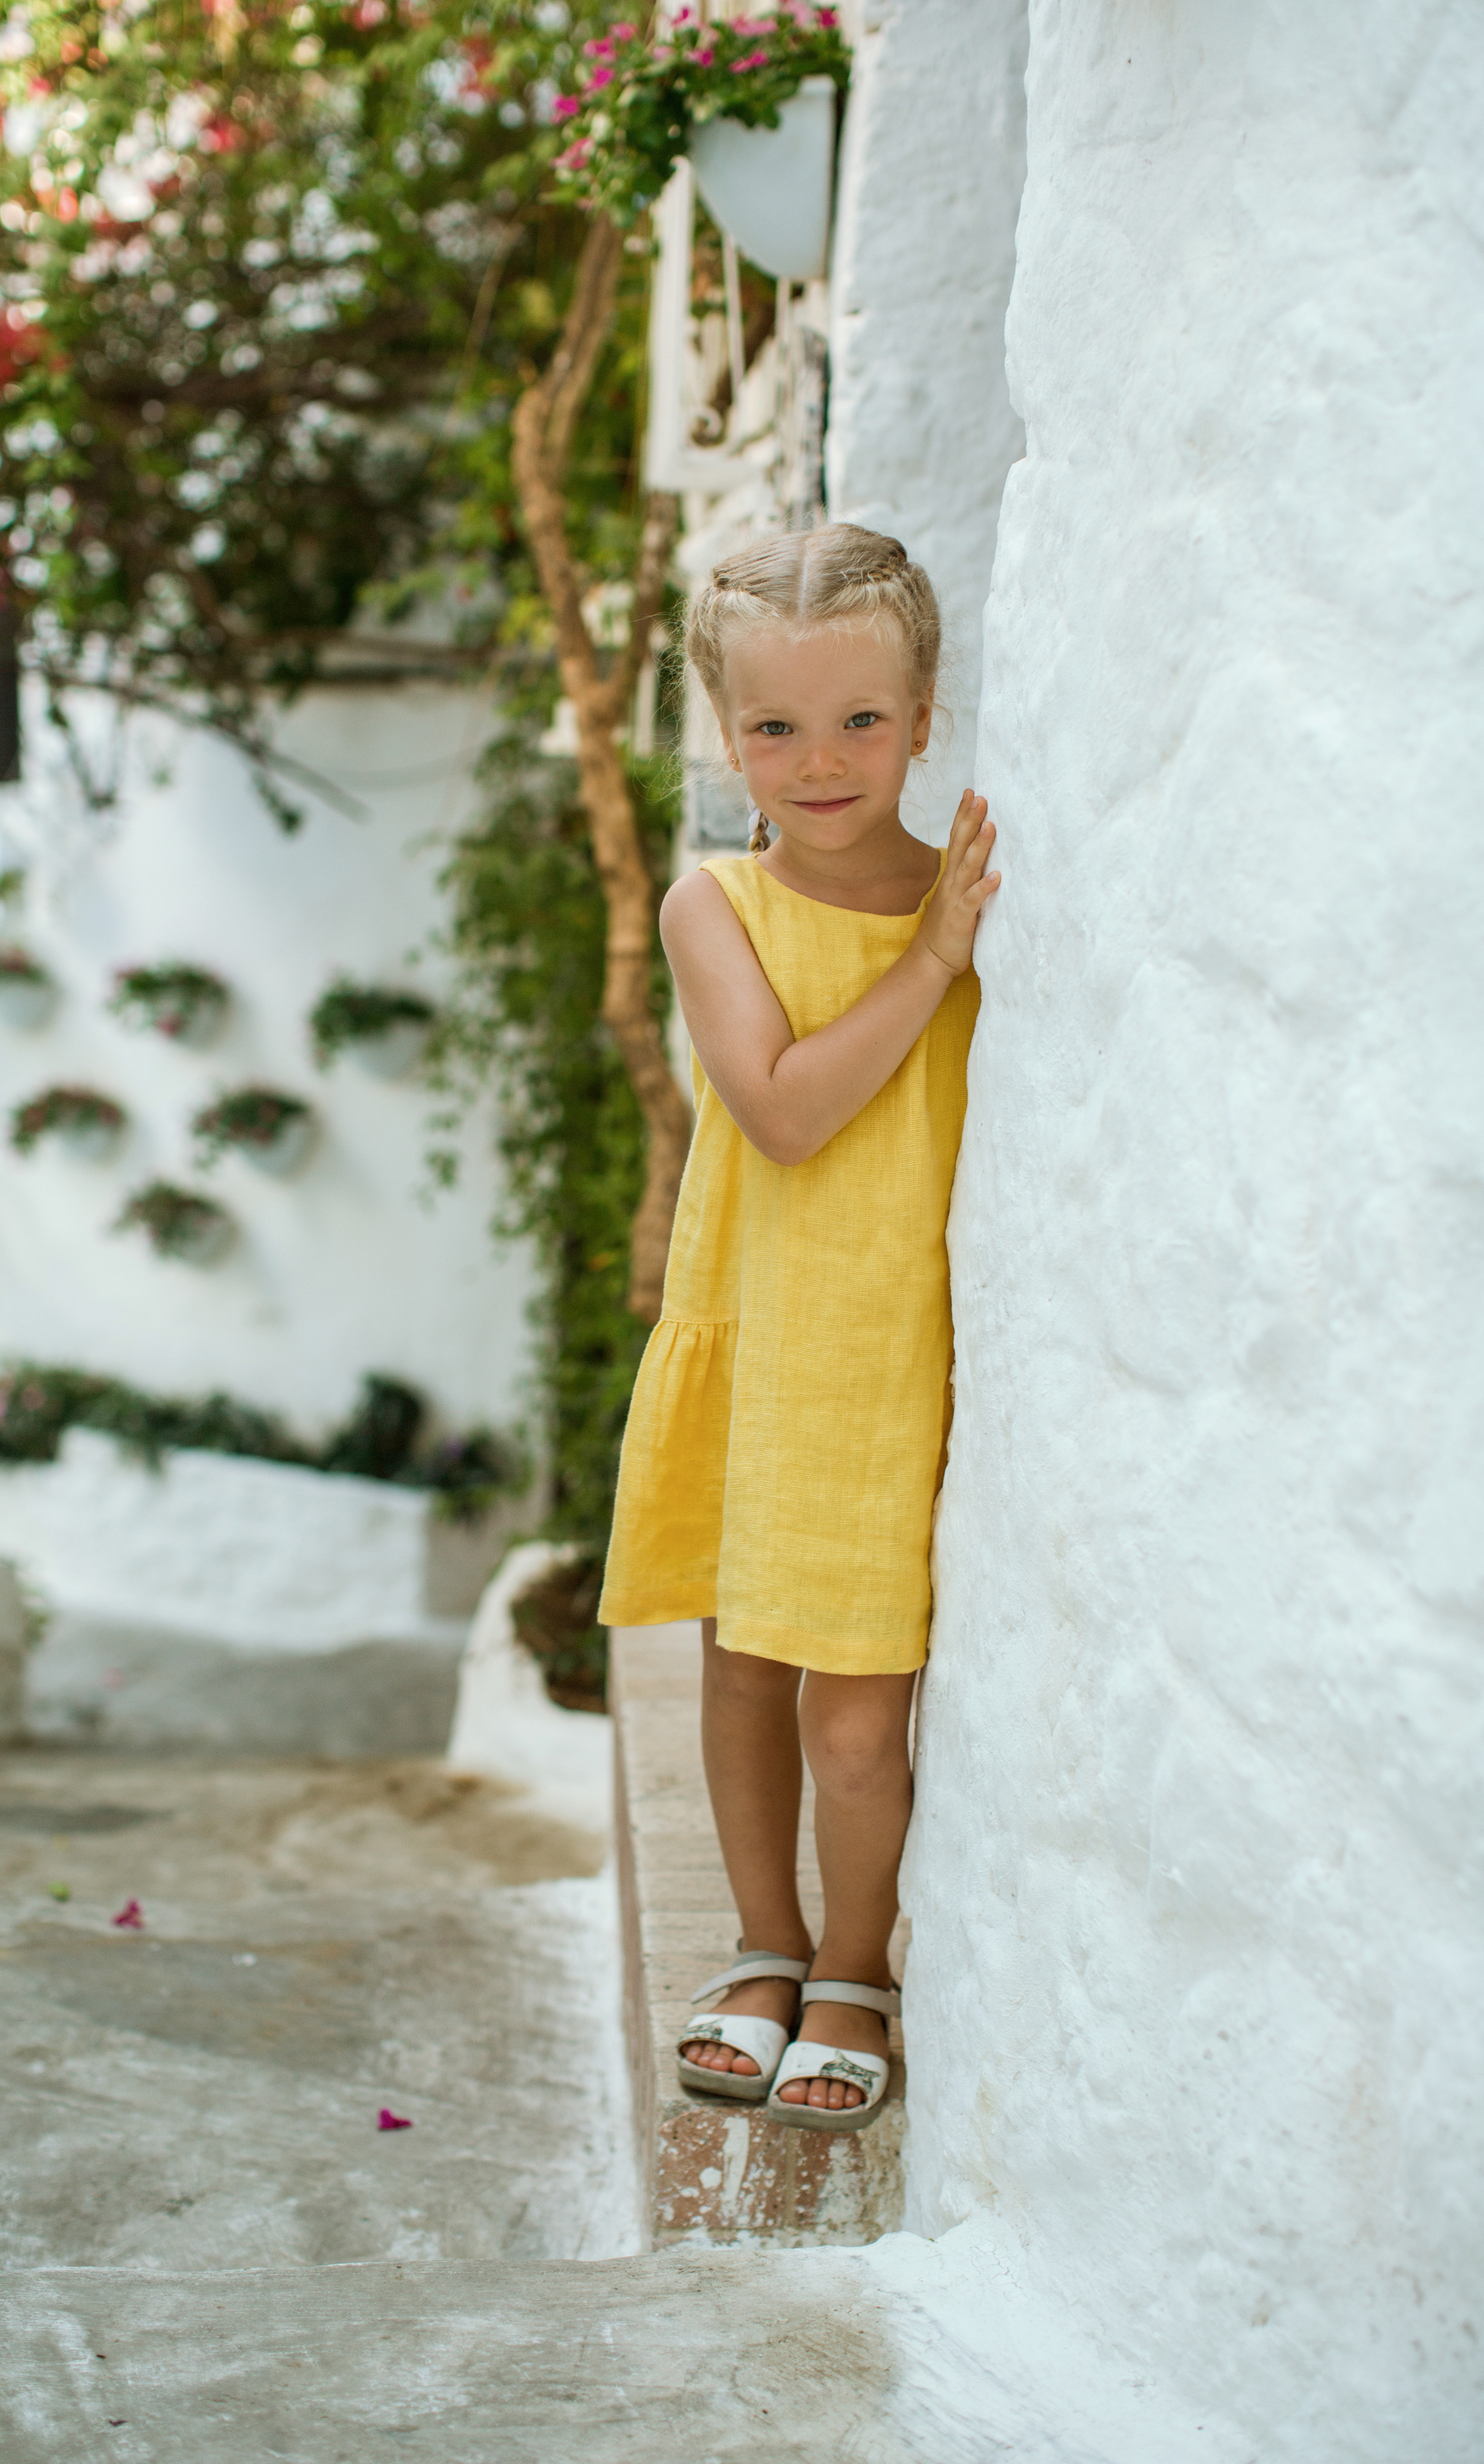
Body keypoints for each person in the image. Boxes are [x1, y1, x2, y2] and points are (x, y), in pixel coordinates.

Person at [599, 522, 1000, 2133]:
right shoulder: (719, 908)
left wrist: (952, 940)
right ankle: (761, 1945)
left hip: (893, 1350)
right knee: (747, 1669)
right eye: (774, 727)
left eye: (859, 721)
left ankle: (856, 1964)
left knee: (857, 1714)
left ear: (923, 716)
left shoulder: (978, 897)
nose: (819, 763)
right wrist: (930, 964)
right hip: (764, 1336)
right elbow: (778, 1112)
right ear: (725, 734)